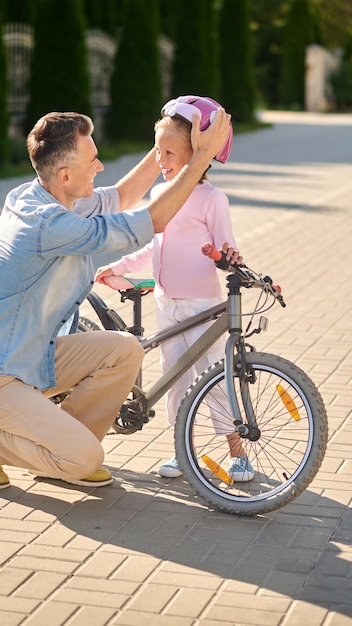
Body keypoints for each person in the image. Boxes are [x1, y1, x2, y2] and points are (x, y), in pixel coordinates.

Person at [0, 106, 231, 491]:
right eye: (93, 160)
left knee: (125, 350)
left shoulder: (49, 193)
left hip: (30, 356)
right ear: (66, 174)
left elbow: (123, 196)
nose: (100, 167)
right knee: (87, 459)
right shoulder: (47, 224)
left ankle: (62, 449)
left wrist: (169, 143)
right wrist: (200, 157)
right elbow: (154, 220)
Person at [95, 96, 254, 483]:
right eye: (158, 150)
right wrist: (118, 266)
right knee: (175, 381)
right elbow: (154, 246)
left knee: (213, 378)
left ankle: (238, 454)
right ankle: (184, 452)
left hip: (203, 305)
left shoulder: (213, 199)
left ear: (197, 153)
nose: (160, 160)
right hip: (167, 304)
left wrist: (228, 256)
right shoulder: (160, 196)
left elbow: (228, 247)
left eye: (169, 152)